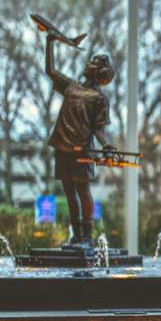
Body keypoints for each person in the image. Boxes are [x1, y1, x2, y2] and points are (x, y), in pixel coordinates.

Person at [44, 33, 116, 247]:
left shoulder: (99, 99)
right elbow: (50, 71)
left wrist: (107, 146)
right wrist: (49, 44)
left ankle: (87, 236)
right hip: (62, 146)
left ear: (101, 71)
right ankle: (76, 234)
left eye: (94, 61)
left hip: (82, 150)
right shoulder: (71, 87)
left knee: (83, 191)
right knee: (68, 191)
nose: (88, 63)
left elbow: (99, 130)